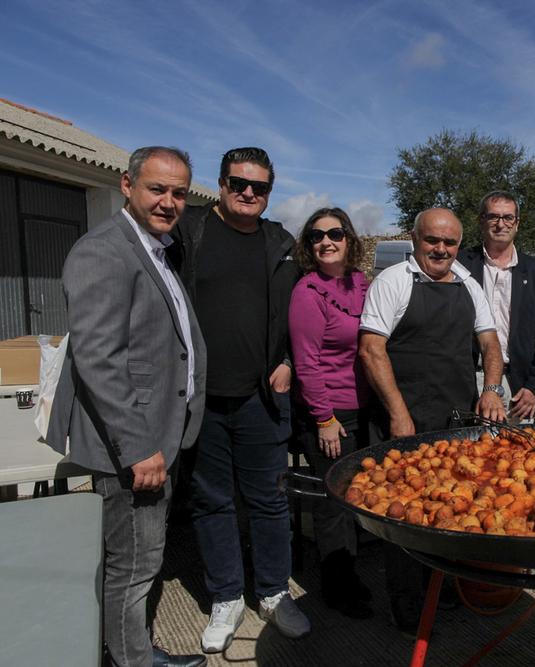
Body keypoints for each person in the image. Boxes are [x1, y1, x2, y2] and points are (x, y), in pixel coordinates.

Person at [46, 147, 207, 667]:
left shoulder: (156, 248)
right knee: (133, 566)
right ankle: (131, 661)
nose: (168, 202)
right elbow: (99, 358)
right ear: (127, 185)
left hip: (157, 435)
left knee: (142, 560)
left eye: (179, 193)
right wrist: (140, 447)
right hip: (134, 448)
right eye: (157, 189)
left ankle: (131, 650)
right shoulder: (105, 250)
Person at [170, 147, 308, 652]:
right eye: (238, 183)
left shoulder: (281, 244)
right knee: (211, 500)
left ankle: (273, 592)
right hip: (202, 398)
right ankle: (226, 597)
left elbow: (302, 316)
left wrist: (290, 362)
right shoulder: (190, 232)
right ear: (222, 184)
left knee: (270, 500)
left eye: (260, 187)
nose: (248, 193)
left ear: (270, 192)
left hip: (260, 400)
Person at [359, 207, 506, 636]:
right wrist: (398, 414)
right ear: (415, 238)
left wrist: (492, 390)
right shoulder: (392, 282)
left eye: (450, 242)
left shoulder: (468, 283)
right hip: (403, 420)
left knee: (450, 511)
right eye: (432, 241)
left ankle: (441, 589)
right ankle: (406, 608)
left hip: (455, 421)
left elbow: (491, 345)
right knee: (403, 517)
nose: (441, 249)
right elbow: (371, 350)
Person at [288, 207, 372, 619]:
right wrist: (324, 419)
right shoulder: (307, 293)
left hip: (364, 408)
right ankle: (337, 588)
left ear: (349, 239)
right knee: (334, 505)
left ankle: (353, 574)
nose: (327, 241)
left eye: (335, 233)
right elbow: (307, 364)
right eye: (316, 236)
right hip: (330, 414)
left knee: (357, 497)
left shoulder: (362, 284)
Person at [459, 190, 535, 421]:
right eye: (493, 217)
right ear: (481, 222)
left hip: (518, 389)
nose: (501, 224)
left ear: (517, 223)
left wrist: (534, 388)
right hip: (468, 382)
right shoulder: (459, 264)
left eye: (508, 217)